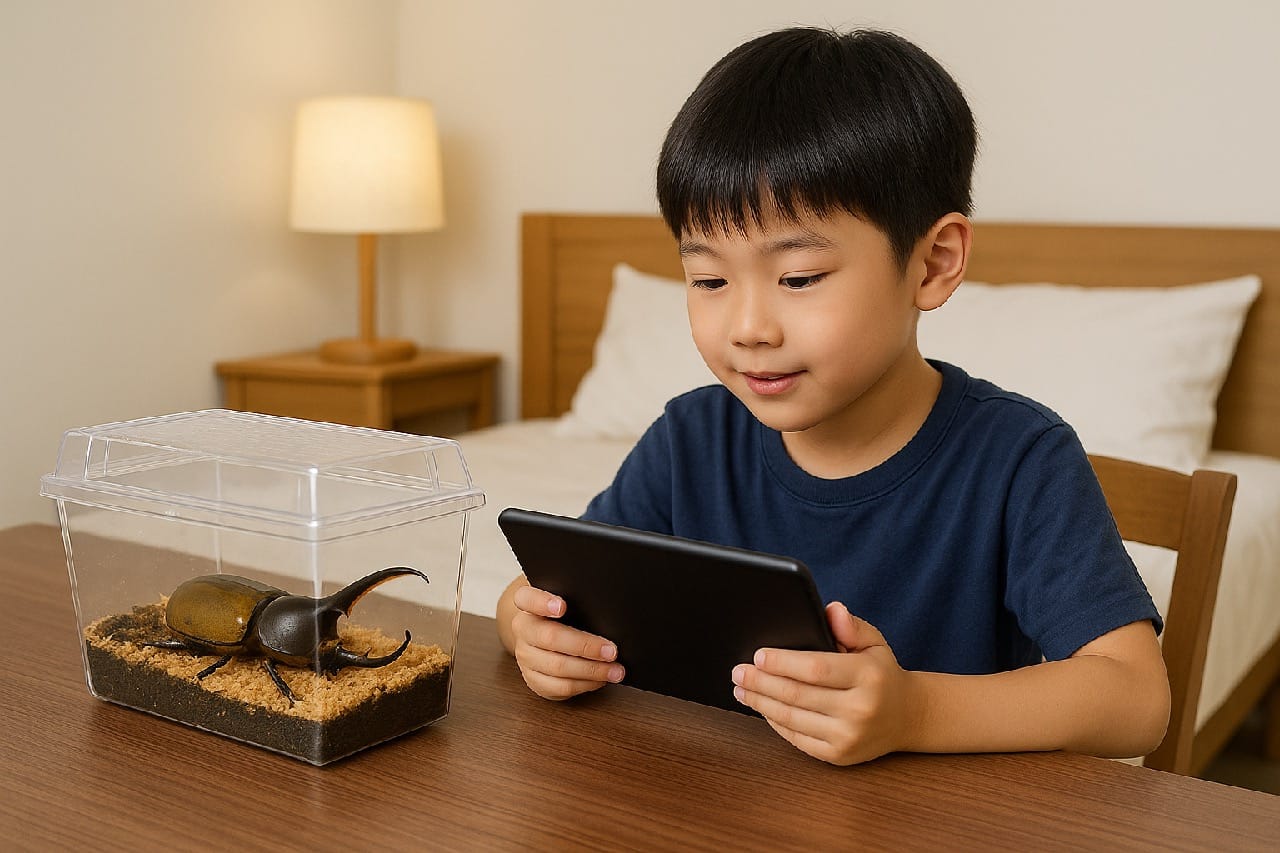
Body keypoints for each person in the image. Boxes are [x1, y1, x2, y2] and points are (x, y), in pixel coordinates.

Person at [496, 27, 1170, 766]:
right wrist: (525, 626)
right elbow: (556, 593)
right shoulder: (691, 436)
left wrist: (912, 710)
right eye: (709, 280)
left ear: (933, 263)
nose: (749, 328)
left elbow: (1136, 700)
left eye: (799, 279)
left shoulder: (1018, 460)